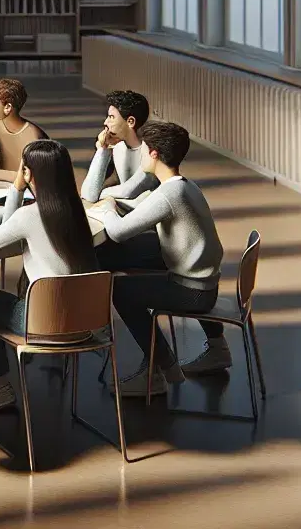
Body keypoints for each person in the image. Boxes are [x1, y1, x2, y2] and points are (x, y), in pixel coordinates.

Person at [89, 121, 227, 395]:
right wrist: (114, 206)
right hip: (203, 282)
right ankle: (158, 364)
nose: (140, 155)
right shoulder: (182, 186)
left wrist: (106, 211)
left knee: (121, 291)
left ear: (153, 154)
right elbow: (141, 208)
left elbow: (116, 232)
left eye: (143, 150)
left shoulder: (168, 195)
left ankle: (161, 370)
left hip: (193, 293)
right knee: (126, 255)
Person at [0, 140, 100, 414]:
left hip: (45, 324)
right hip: (85, 321)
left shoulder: (29, 216)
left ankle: (0, 387)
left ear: (29, 173)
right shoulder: (77, 212)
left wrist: (16, 188)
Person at [82, 89, 160, 203]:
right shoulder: (118, 149)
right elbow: (88, 194)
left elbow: (127, 192)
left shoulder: (151, 152)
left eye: (111, 117)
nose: (106, 123)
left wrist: (99, 194)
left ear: (130, 122)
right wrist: (103, 149)